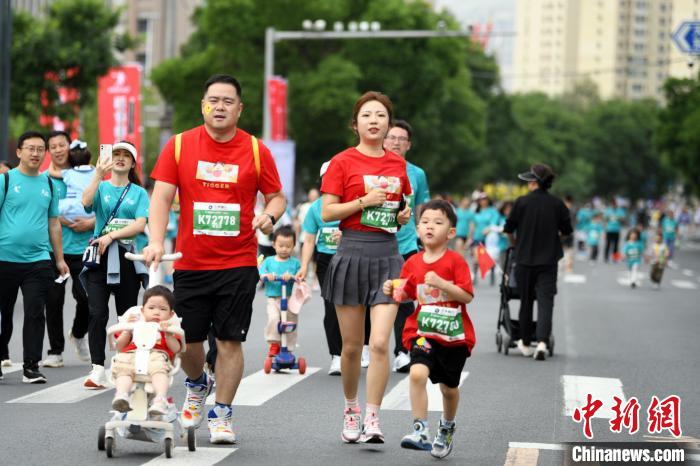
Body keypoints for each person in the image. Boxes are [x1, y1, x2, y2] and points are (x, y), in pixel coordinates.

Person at [143, 74, 286, 445]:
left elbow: (276, 197)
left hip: (238, 262)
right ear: (202, 106)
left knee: (228, 341)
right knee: (188, 341)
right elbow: (161, 198)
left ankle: (221, 413)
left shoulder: (255, 149)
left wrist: (269, 216)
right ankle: (197, 383)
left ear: (240, 108)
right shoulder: (179, 146)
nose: (220, 107)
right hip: (190, 262)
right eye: (213, 100)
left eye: (228, 101)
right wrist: (156, 241)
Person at [320, 91, 412, 444]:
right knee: (352, 348)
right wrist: (363, 201)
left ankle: (373, 417)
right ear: (355, 123)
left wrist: (401, 216)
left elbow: (399, 209)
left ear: (389, 124)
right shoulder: (341, 162)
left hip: (388, 257)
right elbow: (328, 212)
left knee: (380, 343)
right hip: (351, 254)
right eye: (367, 115)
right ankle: (351, 408)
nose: (374, 121)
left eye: (381, 115)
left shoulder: (398, 165)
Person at [383, 199, 475, 459]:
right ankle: (420, 429)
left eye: (437, 222)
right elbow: (406, 293)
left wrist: (443, 284)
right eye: (424, 222)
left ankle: (446, 427)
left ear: (451, 232)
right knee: (417, 373)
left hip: (452, 336)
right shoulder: (412, 262)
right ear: (417, 229)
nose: (430, 226)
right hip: (423, 331)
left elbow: (467, 296)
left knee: (449, 388)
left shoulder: (455, 261)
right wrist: (392, 289)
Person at [0, 131, 69, 383]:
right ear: (19, 152)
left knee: (35, 312)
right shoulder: (5, 180)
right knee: (4, 315)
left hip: (38, 260)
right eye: (31, 148)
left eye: (40, 149)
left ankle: (31, 366)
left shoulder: (49, 184)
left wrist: (59, 259)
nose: (36, 153)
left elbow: (54, 223)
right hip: (4, 258)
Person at [81, 141, 149, 389]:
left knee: (126, 316)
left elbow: (140, 224)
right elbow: (86, 203)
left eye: (126, 155)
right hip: (99, 259)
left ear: (132, 163)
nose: (120, 158)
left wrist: (111, 235)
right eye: (116, 154)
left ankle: (124, 364)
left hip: (127, 258)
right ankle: (97, 369)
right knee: (97, 313)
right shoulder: (101, 187)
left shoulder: (139, 193)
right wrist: (98, 174)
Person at [503, 163, 572, 361]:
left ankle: (525, 342)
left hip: (524, 259)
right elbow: (567, 232)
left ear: (534, 183)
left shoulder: (521, 202)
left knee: (526, 301)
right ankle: (542, 342)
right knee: (545, 302)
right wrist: (554, 241)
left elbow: (508, 229)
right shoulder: (557, 204)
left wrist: (516, 245)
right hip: (548, 261)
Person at [43, 134, 94, 368]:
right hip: (55, 250)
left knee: (86, 298)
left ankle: (79, 332)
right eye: (52, 147)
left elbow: (105, 206)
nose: (58, 150)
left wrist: (90, 223)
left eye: (61, 145)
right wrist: (59, 219)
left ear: (70, 148)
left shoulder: (89, 176)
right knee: (54, 300)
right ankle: (55, 351)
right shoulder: (44, 179)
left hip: (85, 248)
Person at [383, 119, 430, 373]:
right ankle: (366, 347)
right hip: (377, 242)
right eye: (392, 137)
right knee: (373, 296)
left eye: (401, 139)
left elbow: (421, 207)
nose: (396, 142)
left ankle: (403, 351)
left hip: (406, 243)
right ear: (384, 140)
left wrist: (424, 236)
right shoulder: (373, 167)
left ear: (409, 145)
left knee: (404, 297)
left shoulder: (417, 174)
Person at [296, 161, 343, 375]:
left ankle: (362, 347)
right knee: (331, 305)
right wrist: (304, 265)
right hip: (326, 260)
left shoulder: (351, 202)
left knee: (357, 305)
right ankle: (337, 355)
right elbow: (309, 239)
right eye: (327, 178)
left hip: (352, 257)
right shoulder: (315, 208)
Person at [111, 285, 182, 415]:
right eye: (151, 308)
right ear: (143, 311)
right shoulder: (134, 324)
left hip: (157, 355)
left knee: (159, 370)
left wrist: (168, 335)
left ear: (170, 314)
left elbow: (177, 349)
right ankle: (121, 395)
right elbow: (119, 347)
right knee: (123, 368)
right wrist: (127, 330)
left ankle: (160, 399)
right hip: (132, 354)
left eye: (163, 309)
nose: (156, 312)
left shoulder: (169, 327)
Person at [259, 226, 302, 356]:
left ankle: (289, 348)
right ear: (274, 245)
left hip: (289, 298)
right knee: (274, 318)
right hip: (273, 299)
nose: (284, 249)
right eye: (281, 245)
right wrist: (267, 276)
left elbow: (300, 277)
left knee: (291, 322)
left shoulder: (295, 263)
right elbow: (261, 274)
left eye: (288, 246)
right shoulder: (268, 261)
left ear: (293, 246)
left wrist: (292, 277)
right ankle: (274, 343)